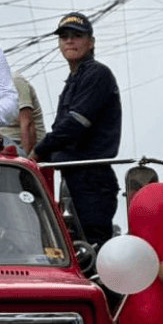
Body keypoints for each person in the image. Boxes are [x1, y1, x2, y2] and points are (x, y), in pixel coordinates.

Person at [29, 12, 122, 249]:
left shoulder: (97, 74)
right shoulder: (74, 80)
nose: (70, 41)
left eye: (77, 36)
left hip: (92, 179)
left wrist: (37, 153)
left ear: (91, 42)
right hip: (72, 178)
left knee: (93, 251)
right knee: (73, 250)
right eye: (64, 37)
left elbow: (74, 125)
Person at [0, 73, 47, 155]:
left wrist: (28, 156)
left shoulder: (15, 81)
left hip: (22, 144)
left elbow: (27, 123)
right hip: (5, 142)